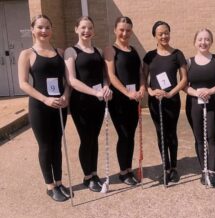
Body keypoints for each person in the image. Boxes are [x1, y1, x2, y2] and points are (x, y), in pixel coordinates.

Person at [18, 15, 71, 202]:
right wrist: (45, 99)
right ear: (33, 29)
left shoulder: (60, 52)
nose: (44, 31)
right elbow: (23, 84)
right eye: (40, 27)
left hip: (59, 106)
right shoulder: (27, 54)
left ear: (52, 29)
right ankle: (50, 186)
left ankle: (59, 181)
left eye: (47, 27)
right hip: (40, 107)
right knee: (46, 146)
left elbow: (68, 80)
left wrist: (66, 95)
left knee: (57, 143)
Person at [64, 16, 112, 192]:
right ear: (76, 29)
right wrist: (95, 92)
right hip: (81, 103)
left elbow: (104, 76)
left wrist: (106, 87)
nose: (86, 31)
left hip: (98, 103)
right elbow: (72, 81)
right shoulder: (71, 51)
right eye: (83, 28)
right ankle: (87, 177)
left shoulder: (98, 50)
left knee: (94, 138)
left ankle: (94, 173)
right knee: (86, 139)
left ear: (94, 30)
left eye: (90, 28)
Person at [143, 21, 187, 184]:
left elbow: (184, 80)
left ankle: (174, 167)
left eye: (166, 32)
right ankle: (165, 167)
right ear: (155, 35)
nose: (164, 36)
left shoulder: (177, 54)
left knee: (171, 132)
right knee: (160, 132)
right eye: (160, 33)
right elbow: (144, 77)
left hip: (171, 99)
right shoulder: (149, 56)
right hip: (156, 100)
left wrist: (170, 93)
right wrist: (151, 91)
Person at [185, 29, 215, 187]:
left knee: (213, 136)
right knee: (199, 137)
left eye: (207, 39)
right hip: (194, 104)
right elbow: (184, 86)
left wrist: (210, 91)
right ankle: (203, 169)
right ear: (195, 42)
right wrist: (196, 92)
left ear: (211, 41)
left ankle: (212, 171)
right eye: (200, 39)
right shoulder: (188, 62)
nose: (203, 42)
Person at [104, 16, 145, 186]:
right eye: (121, 29)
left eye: (128, 30)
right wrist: (127, 92)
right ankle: (123, 172)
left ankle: (129, 168)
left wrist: (142, 88)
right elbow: (111, 76)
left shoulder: (134, 50)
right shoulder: (110, 49)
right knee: (124, 135)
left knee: (131, 134)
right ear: (115, 30)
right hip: (120, 100)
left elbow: (140, 73)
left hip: (134, 98)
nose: (124, 33)